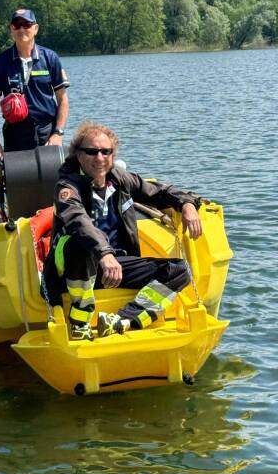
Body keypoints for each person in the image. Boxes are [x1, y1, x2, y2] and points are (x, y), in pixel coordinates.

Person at [43, 121, 205, 341]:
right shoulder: (67, 187)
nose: (99, 158)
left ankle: (124, 320)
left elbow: (160, 192)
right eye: (91, 152)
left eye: (105, 152)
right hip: (73, 269)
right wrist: (105, 253)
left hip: (115, 266)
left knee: (179, 270)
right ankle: (79, 322)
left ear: (113, 154)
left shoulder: (121, 180)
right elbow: (79, 222)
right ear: (78, 155)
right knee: (80, 245)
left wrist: (186, 204)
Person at [0, 9, 69, 157]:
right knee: (17, 180)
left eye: (27, 24)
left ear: (35, 29)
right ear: (11, 29)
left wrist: (58, 133)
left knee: (51, 179)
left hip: (47, 133)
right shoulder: (0, 62)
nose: (22, 29)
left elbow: (63, 99)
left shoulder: (50, 58)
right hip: (15, 135)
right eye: (17, 25)